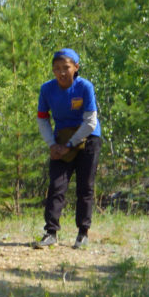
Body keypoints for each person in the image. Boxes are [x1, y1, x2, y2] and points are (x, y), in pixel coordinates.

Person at [35, 48, 101, 249]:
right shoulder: (47, 89)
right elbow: (42, 119)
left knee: (85, 187)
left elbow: (90, 122)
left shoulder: (85, 87)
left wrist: (71, 144)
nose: (61, 73)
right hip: (61, 140)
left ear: (76, 67)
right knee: (57, 185)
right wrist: (52, 145)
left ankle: (83, 233)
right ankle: (51, 232)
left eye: (66, 68)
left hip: (88, 139)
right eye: (57, 69)